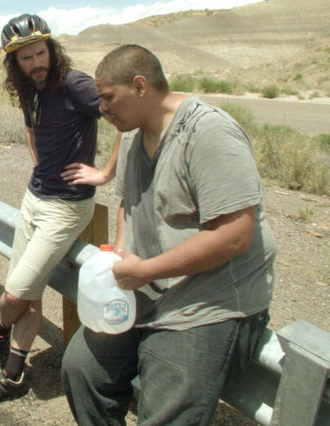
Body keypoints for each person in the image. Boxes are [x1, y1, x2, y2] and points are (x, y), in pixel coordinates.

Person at [61, 44, 276, 425]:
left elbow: (234, 235)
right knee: (82, 371)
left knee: (166, 412)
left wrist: (145, 272)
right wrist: (125, 252)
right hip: (147, 287)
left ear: (140, 86)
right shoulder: (131, 132)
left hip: (209, 303)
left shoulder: (208, 133)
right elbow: (129, 199)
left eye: (109, 98)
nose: (103, 109)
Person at [0, 13, 109, 408]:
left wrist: (105, 174)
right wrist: (38, 162)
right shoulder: (30, 90)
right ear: (15, 63)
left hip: (66, 208)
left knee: (13, 297)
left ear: (51, 49)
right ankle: (12, 376)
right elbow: (32, 128)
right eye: (26, 57)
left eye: (40, 52)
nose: (36, 62)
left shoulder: (75, 84)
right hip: (34, 199)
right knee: (28, 299)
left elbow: (126, 116)